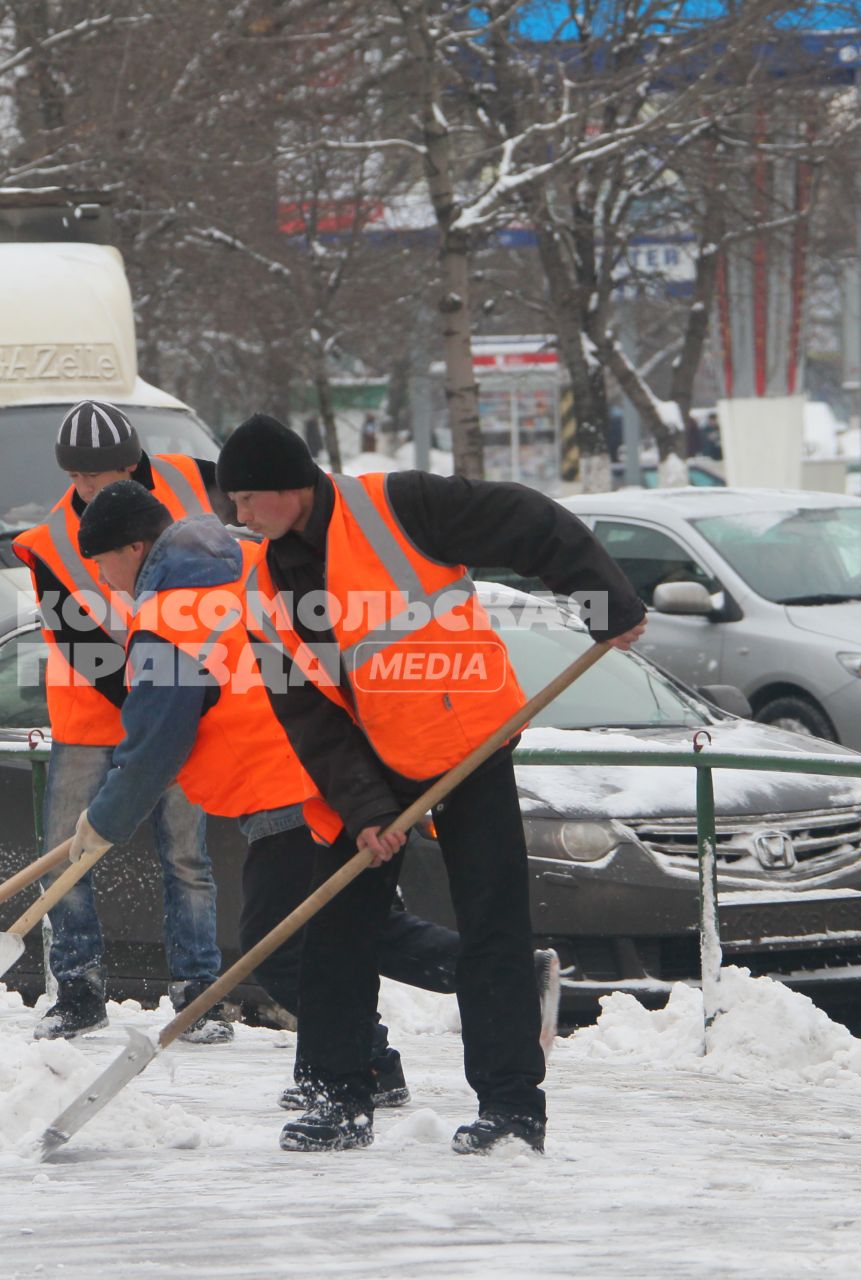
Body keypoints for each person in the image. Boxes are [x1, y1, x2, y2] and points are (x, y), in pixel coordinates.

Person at [217, 413, 647, 1155]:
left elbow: (527, 521)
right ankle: (337, 1098)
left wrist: (604, 602)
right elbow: (306, 712)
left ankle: (511, 1109)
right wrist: (366, 811)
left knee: (492, 927)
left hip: (464, 740)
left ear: (289, 489)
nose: (239, 516)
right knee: (338, 930)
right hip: (365, 754)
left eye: (248, 499)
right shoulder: (261, 587)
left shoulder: (399, 506)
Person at [71, 481, 486, 1108]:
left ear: (134, 547)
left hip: (289, 789)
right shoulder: (255, 571)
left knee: (280, 944)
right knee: (355, 927)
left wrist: (105, 820)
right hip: (345, 775)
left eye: (104, 565)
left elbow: (156, 741)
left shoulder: (167, 621)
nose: (105, 582)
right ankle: (381, 1055)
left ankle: (371, 1061)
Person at [10, 401, 226, 1041]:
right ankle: (78, 990)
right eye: (77, 477)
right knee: (66, 854)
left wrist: (178, 706)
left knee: (188, 858)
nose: (87, 489)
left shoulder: (195, 482)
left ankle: (198, 994)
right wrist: (152, 714)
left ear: (132, 462)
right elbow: (83, 645)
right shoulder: (50, 541)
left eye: (101, 475)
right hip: (90, 715)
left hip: (183, 704)